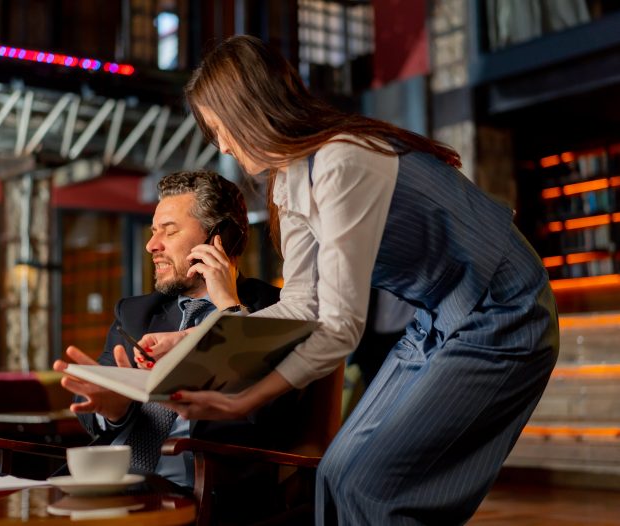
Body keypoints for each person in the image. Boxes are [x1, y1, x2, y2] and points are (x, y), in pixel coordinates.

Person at [150, 35, 560, 525]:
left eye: (221, 129)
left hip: (504, 308)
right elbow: (302, 307)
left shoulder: (342, 160)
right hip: (436, 318)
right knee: (336, 474)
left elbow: (341, 326)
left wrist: (247, 399)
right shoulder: (288, 179)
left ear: (250, 109)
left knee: (372, 488)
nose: (222, 146)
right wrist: (193, 339)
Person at [54, 169, 286, 489]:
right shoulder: (135, 313)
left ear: (220, 236)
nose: (152, 245)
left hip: (204, 493)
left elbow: (269, 415)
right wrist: (113, 410)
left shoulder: (278, 309)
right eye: (153, 231)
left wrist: (230, 312)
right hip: (113, 484)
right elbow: (95, 408)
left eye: (169, 231)